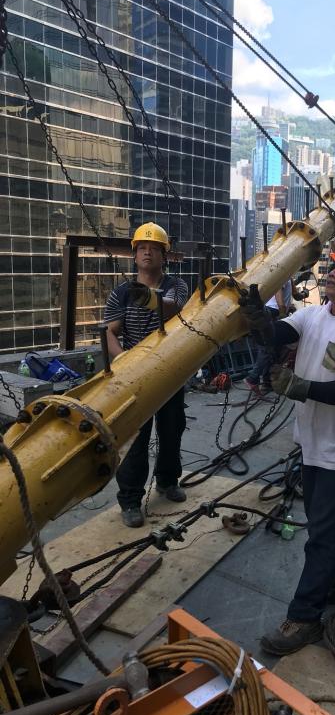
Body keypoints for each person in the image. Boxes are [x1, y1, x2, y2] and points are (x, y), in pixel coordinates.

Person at [241, 239, 335, 655]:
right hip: (313, 441)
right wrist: (257, 319)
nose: (333, 272)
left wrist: (300, 387)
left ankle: (305, 617)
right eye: (334, 265)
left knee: (322, 535)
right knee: (329, 522)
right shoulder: (314, 315)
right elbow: (277, 334)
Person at [104, 222, 189, 528]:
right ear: (135, 254)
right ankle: (130, 500)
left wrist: (150, 299)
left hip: (169, 370)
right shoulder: (121, 293)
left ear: (164, 255)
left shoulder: (176, 285)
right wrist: (123, 358)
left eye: (154, 248)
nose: (147, 253)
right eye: (142, 248)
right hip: (135, 375)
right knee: (135, 440)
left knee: (171, 431)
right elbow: (110, 332)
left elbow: (175, 310)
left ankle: (167, 481)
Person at [244, 278, 298, 394]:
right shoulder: (284, 273)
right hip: (273, 312)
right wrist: (282, 312)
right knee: (267, 349)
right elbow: (278, 292)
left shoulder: (289, 277)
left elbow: (296, 294)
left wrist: (303, 294)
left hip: (273, 311)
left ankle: (266, 383)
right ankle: (253, 378)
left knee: (272, 350)